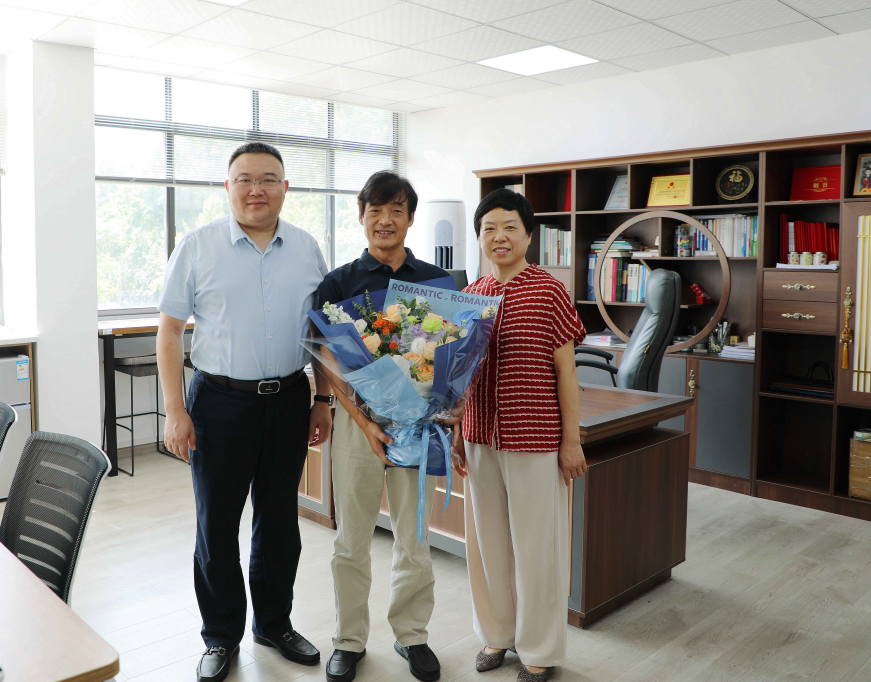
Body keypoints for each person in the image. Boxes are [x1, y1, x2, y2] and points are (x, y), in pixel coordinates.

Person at [157, 142, 334, 682]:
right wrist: (174, 410)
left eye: (268, 179)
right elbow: (169, 331)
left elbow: (322, 333)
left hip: (289, 400)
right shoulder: (197, 246)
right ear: (228, 186)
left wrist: (322, 399)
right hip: (219, 402)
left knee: (279, 521)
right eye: (245, 179)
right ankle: (221, 635)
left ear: (285, 187)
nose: (257, 189)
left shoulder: (306, 249)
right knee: (216, 525)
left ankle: (274, 624)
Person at [315, 171, 450, 682]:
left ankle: (411, 634)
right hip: (359, 424)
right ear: (361, 216)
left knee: (413, 537)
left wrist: (450, 406)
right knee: (352, 537)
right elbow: (328, 362)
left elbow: (452, 354)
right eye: (375, 210)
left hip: (418, 422)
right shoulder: (338, 285)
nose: (385, 219)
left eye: (396, 209)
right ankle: (348, 640)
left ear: (410, 218)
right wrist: (364, 421)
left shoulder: (438, 282)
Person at [452, 189, 588, 682]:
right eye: (489, 228)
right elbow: (460, 374)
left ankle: (539, 649)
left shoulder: (549, 291)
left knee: (536, 548)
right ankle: (497, 634)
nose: (499, 236)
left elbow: (567, 373)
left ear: (529, 236)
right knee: (488, 545)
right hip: (479, 436)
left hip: (534, 438)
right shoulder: (472, 294)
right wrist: (458, 432)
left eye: (510, 226)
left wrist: (571, 441)